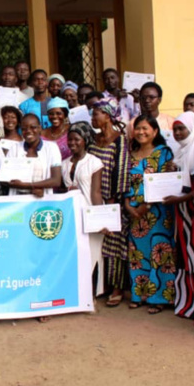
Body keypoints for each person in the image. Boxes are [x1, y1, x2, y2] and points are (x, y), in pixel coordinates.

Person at [124, 116, 176, 314]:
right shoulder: (131, 153)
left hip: (157, 212)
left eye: (145, 128)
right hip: (134, 214)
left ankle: (160, 297)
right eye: (137, 128)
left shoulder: (163, 153)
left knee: (159, 252)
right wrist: (128, 205)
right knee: (138, 253)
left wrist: (147, 204)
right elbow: (124, 182)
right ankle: (139, 294)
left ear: (155, 131)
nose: (140, 132)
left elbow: (166, 181)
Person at [162, 112, 194, 325]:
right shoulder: (181, 154)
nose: (179, 133)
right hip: (183, 215)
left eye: (183, 129)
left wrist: (181, 198)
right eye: (176, 130)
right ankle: (192, 303)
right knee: (187, 259)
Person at [88, 98, 131, 307]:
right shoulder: (93, 140)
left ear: (107, 115)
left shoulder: (120, 140)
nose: (93, 118)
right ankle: (100, 286)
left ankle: (117, 287)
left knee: (114, 244)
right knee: (97, 243)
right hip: (93, 198)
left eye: (96, 114)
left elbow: (122, 169)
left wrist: (115, 199)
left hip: (112, 199)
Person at [61, 122, 105, 294]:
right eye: (69, 139)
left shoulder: (94, 162)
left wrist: (99, 218)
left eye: (76, 139)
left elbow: (96, 192)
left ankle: (91, 295)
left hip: (90, 213)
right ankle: (77, 294)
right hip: (72, 215)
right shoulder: (64, 163)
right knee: (75, 255)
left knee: (92, 255)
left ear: (85, 140)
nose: (72, 143)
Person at [0, 113, 62, 197]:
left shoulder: (52, 148)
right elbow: (4, 178)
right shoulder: (14, 148)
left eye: (33, 127)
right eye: (24, 129)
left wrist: (30, 186)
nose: (28, 131)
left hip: (43, 199)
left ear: (40, 128)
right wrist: (29, 186)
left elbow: (56, 180)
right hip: (18, 201)